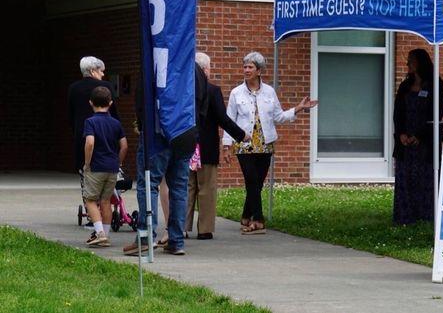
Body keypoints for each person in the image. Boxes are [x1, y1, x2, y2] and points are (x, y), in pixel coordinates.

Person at [222, 52, 317, 234]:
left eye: (250, 67)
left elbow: (279, 117)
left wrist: (298, 108)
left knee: (258, 183)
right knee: (251, 180)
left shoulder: (269, 92)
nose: (246, 70)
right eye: (245, 67)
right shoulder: (236, 93)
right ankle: (258, 220)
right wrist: (227, 146)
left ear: (259, 70)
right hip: (244, 144)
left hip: (266, 144)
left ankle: (246, 214)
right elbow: (228, 121)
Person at [122, 80, 194, 256]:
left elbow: (141, 100)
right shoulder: (190, 69)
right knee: (179, 188)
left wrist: (142, 125)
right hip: (185, 131)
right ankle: (176, 240)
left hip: (157, 132)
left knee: (148, 184)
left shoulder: (153, 63)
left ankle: (146, 238)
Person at [185, 52, 248, 240]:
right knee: (207, 189)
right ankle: (204, 229)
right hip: (206, 147)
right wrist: (240, 134)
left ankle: (182, 227)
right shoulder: (212, 91)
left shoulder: (184, 89)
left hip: (187, 145)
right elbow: (222, 118)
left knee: (187, 187)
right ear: (205, 69)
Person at [393, 49, 443, 225]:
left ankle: (425, 215)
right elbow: (398, 113)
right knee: (405, 177)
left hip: (424, 141)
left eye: (411, 61)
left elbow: (435, 113)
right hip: (405, 141)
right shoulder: (404, 86)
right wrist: (401, 133)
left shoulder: (434, 85)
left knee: (424, 178)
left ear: (420, 63)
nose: (407, 64)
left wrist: (420, 135)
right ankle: (405, 216)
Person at [68, 56, 119, 228]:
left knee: (87, 180)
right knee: (106, 191)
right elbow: (115, 114)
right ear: (92, 71)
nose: (103, 74)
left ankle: (93, 219)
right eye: (101, 70)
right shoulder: (107, 88)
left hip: (83, 139)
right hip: (107, 140)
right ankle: (104, 223)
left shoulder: (73, 89)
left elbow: (71, 115)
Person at [82, 86, 127, 247]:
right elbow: (124, 145)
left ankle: (100, 233)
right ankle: (105, 235)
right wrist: (118, 161)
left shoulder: (90, 122)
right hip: (112, 167)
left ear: (90, 103)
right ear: (110, 103)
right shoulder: (116, 123)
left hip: (96, 166)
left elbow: (90, 142)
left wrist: (87, 162)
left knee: (90, 200)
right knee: (106, 201)